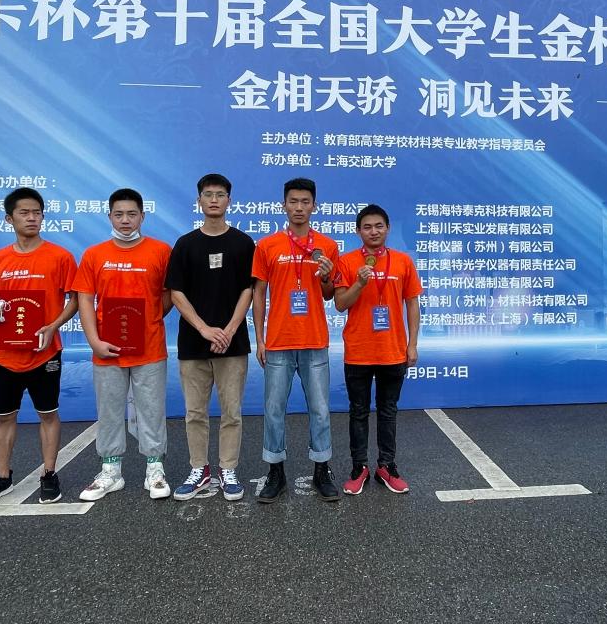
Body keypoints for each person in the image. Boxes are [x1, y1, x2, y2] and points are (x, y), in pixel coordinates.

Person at [0, 187, 78, 507]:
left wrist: (54, 325)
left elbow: (75, 300)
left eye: (37, 212)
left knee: (48, 413)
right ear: (9, 219)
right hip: (4, 353)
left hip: (45, 352)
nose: (32, 218)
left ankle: (49, 474)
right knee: (4, 417)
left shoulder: (60, 257)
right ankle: (2, 476)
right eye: (24, 212)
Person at [73, 188, 174, 501]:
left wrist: (149, 322)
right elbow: (85, 299)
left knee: (152, 410)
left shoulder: (161, 251)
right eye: (119, 214)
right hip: (106, 349)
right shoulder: (94, 255)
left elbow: (169, 295)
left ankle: (154, 469)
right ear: (109, 217)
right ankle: (111, 471)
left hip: (150, 348)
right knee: (109, 411)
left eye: (132, 214)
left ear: (143, 216)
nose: (125, 220)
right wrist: (94, 341)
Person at [166, 174, 255, 501]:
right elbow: (176, 292)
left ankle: (228, 469)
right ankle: (199, 469)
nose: (214, 200)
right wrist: (204, 329)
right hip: (193, 343)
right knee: (195, 413)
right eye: (208, 194)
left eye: (220, 194)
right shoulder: (186, 244)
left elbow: (248, 290)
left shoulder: (243, 243)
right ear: (199, 201)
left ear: (229, 200)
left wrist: (228, 330)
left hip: (233, 342)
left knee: (232, 412)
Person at [252, 177, 341, 502]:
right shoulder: (267, 245)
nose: (299, 208)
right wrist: (259, 339)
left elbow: (329, 294)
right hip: (278, 341)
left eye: (305, 202)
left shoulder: (327, 246)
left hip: (314, 340)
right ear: (283, 205)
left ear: (314, 206)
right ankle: (275, 471)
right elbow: (259, 293)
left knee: (320, 409)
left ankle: (321, 469)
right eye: (293, 201)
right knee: (274, 409)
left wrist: (327, 275)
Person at [333, 204, 422, 495]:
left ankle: (387, 466)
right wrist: (360, 283)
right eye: (367, 227)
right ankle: (359, 468)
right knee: (358, 412)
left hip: (392, 350)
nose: (373, 231)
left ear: (388, 228)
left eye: (379, 226)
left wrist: (412, 344)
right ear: (358, 231)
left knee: (388, 411)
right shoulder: (347, 262)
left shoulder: (402, 261)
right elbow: (340, 303)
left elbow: (412, 304)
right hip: (358, 350)